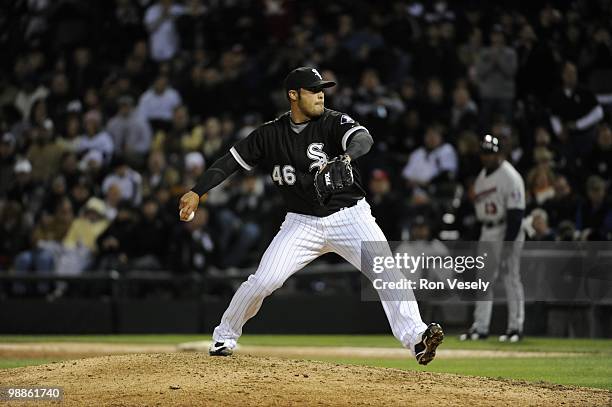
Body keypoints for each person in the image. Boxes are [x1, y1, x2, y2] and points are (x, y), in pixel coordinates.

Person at [179, 67, 444, 365]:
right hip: (301, 223)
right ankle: (224, 337)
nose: (320, 95)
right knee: (264, 281)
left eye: (322, 89)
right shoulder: (270, 134)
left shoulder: (332, 122)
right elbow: (230, 162)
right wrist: (197, 191)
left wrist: (346, 157)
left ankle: (418, 338)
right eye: (313, 90)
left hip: (350, 217)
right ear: (293, 95)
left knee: (387, 273)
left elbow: (363, 139)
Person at [460, 134, 526, 342]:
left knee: (510, 278)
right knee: (483, 281)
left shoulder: (510, 177)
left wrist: (508, 245)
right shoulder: (481, 178)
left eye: (492, 153)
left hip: (507, 228)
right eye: (485, 153)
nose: (488, 157)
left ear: (500, 154)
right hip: (488, 231)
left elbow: (516, 215)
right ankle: (480, 327)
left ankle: (515, 328)